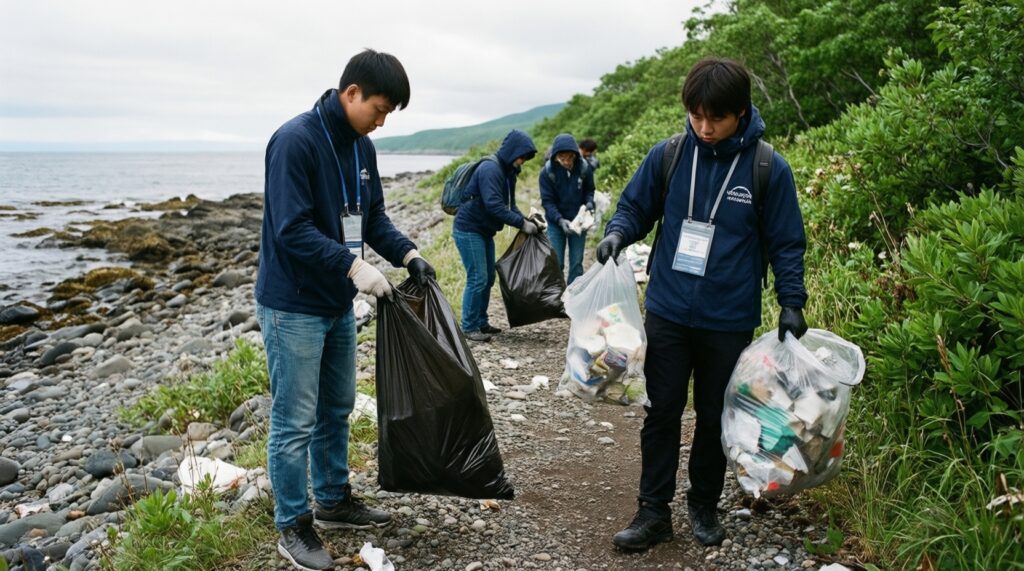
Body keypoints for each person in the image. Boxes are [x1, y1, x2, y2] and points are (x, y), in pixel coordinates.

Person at [596, 57, 808, 551]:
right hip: (668, 310)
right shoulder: (669, 154)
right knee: (662, 412)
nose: (706, 128)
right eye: (696, 117)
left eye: (717, 118)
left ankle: (704, 505)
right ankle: (652, 513)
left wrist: (791, 301)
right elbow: (635, 207)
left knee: (715, 417)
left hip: (728, 318)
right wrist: (616, 235)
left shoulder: (766, 168)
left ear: (741, 112)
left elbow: (786, 243)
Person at [254, 49, 436, 571]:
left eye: (388, 116)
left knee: (336, 408)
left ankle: (332, 501)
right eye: (378, 109)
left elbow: (371, 216)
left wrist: (408, 254)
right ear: (350, 92)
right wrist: (356, 270)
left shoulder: (361, 147)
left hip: (335, 302)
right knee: (294, 420)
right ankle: (293, 525)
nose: (381, 122)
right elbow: (291, 230)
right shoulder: (295, 141)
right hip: (293, 306)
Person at [452, 129, 538, 342]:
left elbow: (511, 206)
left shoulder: (509, 173)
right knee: (478, 278)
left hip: (484, 230)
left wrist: (527, 221)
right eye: (522, 156)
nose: (523, 161)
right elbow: (494, 206)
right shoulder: (491, 169)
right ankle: (469, 327)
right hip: (469, 229)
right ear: (513, 151)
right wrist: (520, 224)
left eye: (526, 158)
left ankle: (481, 322)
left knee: (488, 277)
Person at [539, 133, 595, 284]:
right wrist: (559, 220)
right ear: (555, 157)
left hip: (579, 222)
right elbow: (547, 202)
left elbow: (590, 190)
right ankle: (557, 298)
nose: (566, 162)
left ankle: (573, 297)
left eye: (570, 157)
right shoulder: (547, 173)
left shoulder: (584, 168)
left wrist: (590, 203)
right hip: (556, 224)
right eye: (562, 159)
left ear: (575, 155)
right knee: (557, 263)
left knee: (576, 263)